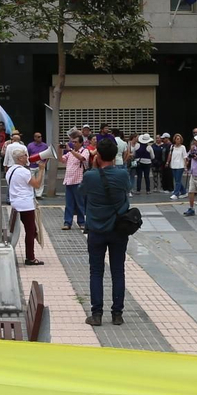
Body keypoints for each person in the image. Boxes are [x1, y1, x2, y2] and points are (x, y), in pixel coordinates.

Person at [81, 134, 132, 326]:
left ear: (98, 156)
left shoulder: (90, 176)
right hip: (119, 229)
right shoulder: (122, 174)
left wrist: (94, 168)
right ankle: (117, 314)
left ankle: (96, 314)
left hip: (96, 229)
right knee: (118, 271)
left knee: (96, 272)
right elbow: (127, 190)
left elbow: (82, 192)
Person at [6, 141, 43, 265]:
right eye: (25, 155)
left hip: (16, 203)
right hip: (26, 204)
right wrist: (42, 170)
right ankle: (30, 257)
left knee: (20, 230)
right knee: (30, 231)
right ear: (20, 158)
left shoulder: (10, 170)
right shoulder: (24, 171)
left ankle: (27, 255)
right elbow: (37, 185)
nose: (27, 157)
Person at [61, 134, 88, 228]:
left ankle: (81, 222)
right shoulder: (69, 153)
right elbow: (62, 160)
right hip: (69, 180)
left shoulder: (85, 151)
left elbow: (82, 158)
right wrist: (59, 149)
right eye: (73, 142)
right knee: (69, 203)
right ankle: (67, 222)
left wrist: (70, 150)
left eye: (76, 142)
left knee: (79, 203)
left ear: (81, 143)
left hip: (78, 181)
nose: (74, 144)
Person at [167, 132, 188, 198]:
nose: (178, 140)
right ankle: (184, 192)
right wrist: (168, 162)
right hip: (173, 165)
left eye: (179, 139)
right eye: (176, 139)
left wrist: (185, 166)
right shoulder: (172, 147)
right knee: (176, 180)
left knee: (178, 180)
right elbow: (170, 155)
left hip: (180, 166)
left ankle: (176, 193)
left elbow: (185, 157)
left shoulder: (183, 147)